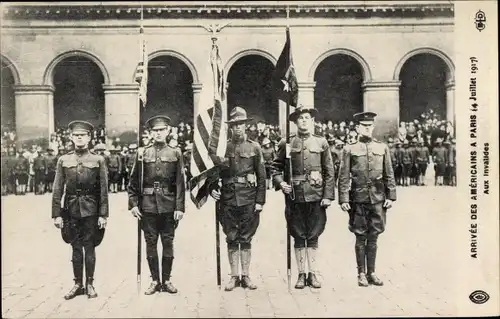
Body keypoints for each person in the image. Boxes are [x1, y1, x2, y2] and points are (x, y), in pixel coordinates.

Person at [271, 105, 334, 289]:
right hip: (295, 196)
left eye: (307, 117)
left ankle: (312, 273)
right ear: (295, 122)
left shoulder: (321, 143)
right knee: (298, 234)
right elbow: (275, 168)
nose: (304, 121)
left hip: (316, 195)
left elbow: (329, 171)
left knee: (314, 234)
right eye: (300, 118)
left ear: (313, 121)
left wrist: (328, 195)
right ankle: (300, 274)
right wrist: (281, 183)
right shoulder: (287, 143)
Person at [210, 106, 266, 291]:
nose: (238, 128)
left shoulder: (254, 147)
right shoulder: (223, 147)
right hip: (227, 198)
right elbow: (213, 172)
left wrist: (260, 201)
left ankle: (246, 275)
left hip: (249, 198)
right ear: (230, 127)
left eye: (241, 124)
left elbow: (262, 176)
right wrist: (212, 189)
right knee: (232, 237)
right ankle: (234, 276)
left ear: (246, 126)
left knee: (246, 237)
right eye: (234, 125)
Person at [128, 115, 185, 295]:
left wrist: (179, 207)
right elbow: (133, 183)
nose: (158, 133)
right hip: (148, 206)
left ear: (168, 131)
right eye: (155, 131)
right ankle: (154, 280)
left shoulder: (175, 153)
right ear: (150, 133)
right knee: (150, 242)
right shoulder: (142, 154)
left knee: (168, 242)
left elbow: (180, 183)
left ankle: (166, 280)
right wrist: (134, 204)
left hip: (168, 205)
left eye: (162, 130)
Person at [338, 112, 396, 287]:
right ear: (357, 128)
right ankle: (361, 273)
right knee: (360, 235)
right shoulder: (349, 149)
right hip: (358, 198)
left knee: (374, 236)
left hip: (378, 198)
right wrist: (343, 198)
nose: (367, 129)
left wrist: (391, 195)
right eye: (363, 126)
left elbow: (389, 173)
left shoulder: (382, 147)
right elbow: (344, 176)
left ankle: (372, 272)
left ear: (373, 127)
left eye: (369, 126)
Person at [52, 120, 109, 300]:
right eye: (76, 135)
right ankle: (77, 284)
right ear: (70, 137)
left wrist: (103, 214)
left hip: (91, 210)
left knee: (89, 248)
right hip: (70, 210)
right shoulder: (63, 160)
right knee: (75, 248)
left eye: (83, 135)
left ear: (89, 138)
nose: (79, 138)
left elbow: (103, 189)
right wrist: (56, 214)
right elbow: (57, 188)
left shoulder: (98, 160)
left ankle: (90, 283)